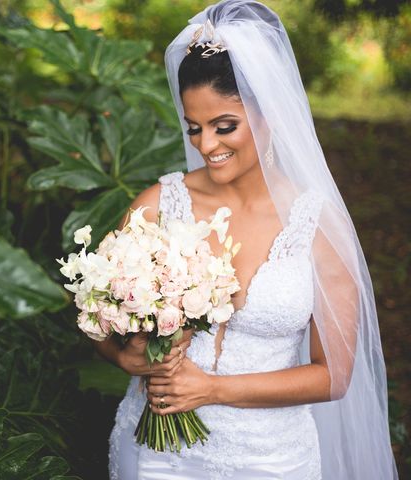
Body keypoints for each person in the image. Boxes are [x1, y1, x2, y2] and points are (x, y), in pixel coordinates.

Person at [93, 1, 399, 478]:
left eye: (224, 126)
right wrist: (127, 356)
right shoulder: (157, 205)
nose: (205, 146)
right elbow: (99, 321)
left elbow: (334, 375)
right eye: (194, 128)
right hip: (156, 458)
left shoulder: (318, 227)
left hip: (271, 460)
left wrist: (212, 390)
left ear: (271, 113)